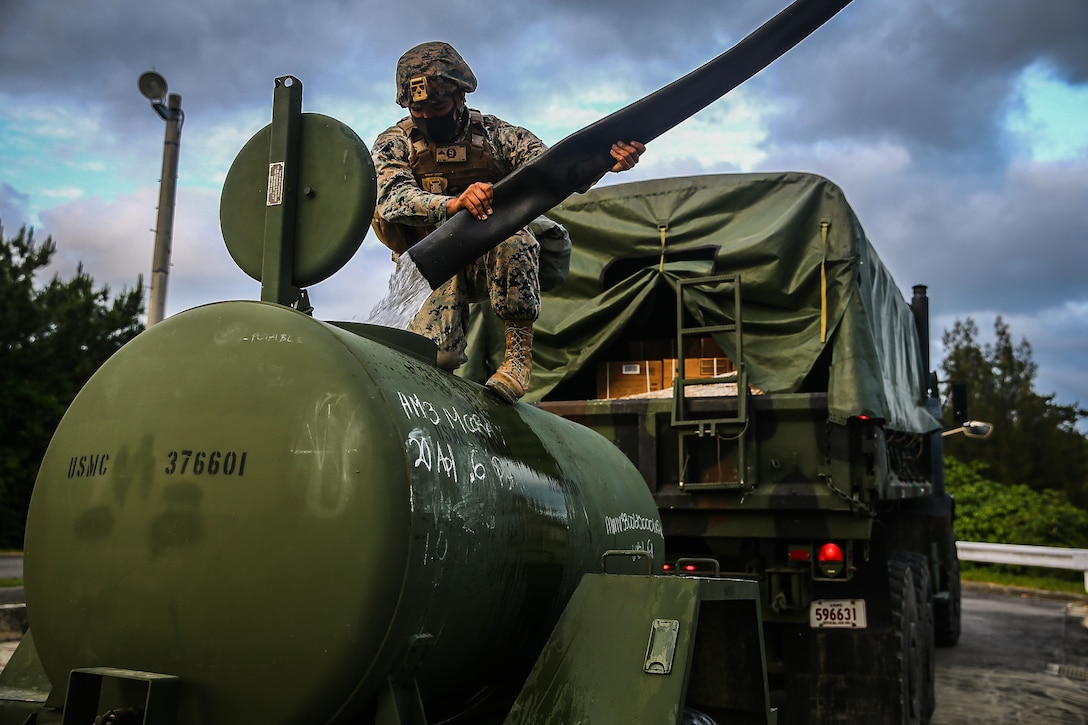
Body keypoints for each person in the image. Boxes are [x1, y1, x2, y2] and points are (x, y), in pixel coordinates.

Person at [372, 41, 645, 403]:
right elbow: (392, 197)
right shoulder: (395, 143)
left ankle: (517, 358)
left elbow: (551, 169)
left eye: (437, 106)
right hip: (433, 264)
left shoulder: (496, 136)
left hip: (495, 257)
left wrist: (601, 164)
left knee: (511, 234)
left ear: (460, 97)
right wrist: (451, 205)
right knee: (440, 356)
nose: (426, 116)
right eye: (416, 108)